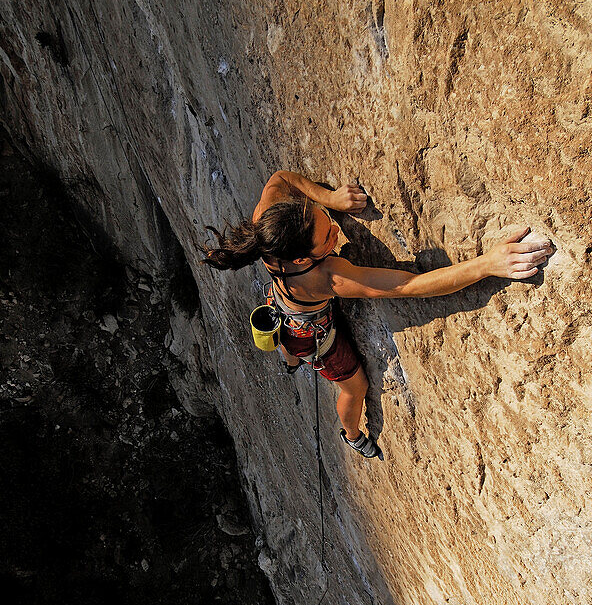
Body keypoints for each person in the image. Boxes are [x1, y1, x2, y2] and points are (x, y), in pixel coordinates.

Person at [200, 170, 553, 458]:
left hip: (284, 304)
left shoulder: (268, 221)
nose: (336, 230)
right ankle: (352, 434)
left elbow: (281, 179)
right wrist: (486, 265)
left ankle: (289, 360)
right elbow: (410, 286)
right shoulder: (328, 277)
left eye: (325, 220)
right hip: (311, 330)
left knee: (292, 343)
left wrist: (332, 199)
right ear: (302, 260)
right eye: (326, 239)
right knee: (355, 387)